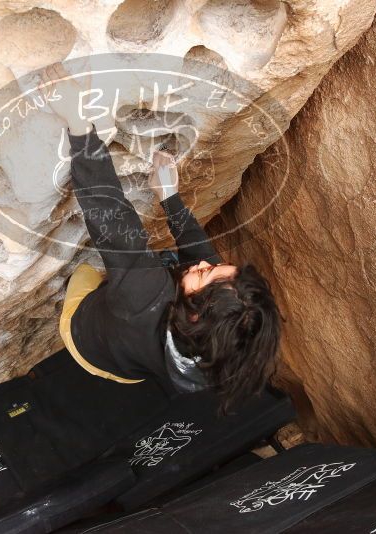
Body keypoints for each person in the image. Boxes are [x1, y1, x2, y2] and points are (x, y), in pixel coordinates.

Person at [41, 63, 280, 414]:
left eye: (203, 275)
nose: (204, 264)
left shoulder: (145, 296)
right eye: (220, 269)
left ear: (195, 317)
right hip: (130, 369)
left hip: (84, 336)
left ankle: (89, 298)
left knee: (89, 269)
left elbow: (111, 216)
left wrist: (78, 125)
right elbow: (205, 262)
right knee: (166, 273)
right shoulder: (221, 351)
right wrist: (169, 197)